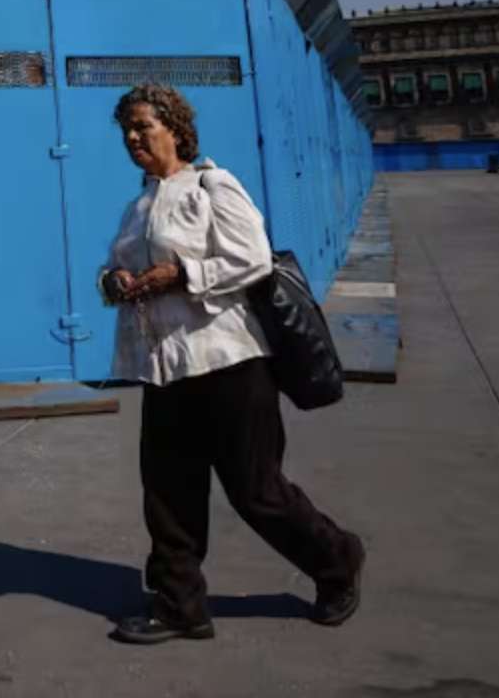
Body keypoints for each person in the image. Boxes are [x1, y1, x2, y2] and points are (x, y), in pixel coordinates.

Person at [98, 82, 365, 644]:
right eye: (127, 130)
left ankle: (338, 560)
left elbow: (252, 259)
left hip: (230, 364)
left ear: (175, 128)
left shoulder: (212, 185)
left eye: (143, 126)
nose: (132, 138)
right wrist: (115, 281)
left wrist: (184, 275)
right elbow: (113, 266)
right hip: (165, 369)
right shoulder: (138, 204)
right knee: (168, 493)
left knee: (258, 491)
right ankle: (180, 606)